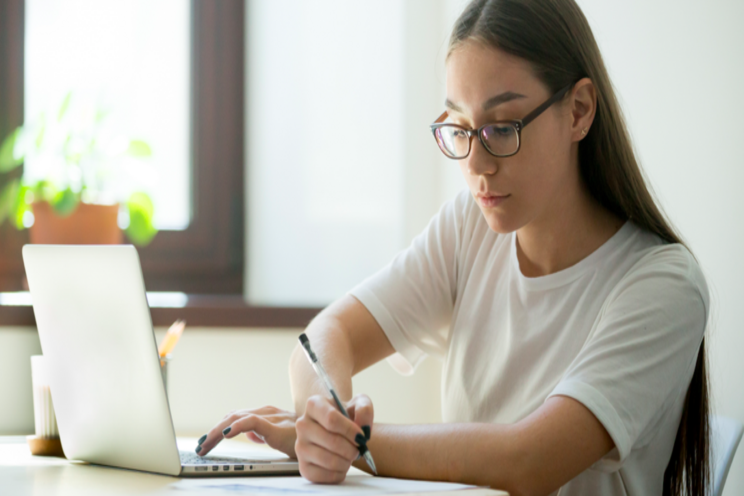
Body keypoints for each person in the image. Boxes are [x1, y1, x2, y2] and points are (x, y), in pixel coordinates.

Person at [196, 0, 710, 494]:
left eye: (501, 128)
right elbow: (329, 334)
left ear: (578, 110)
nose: (478, 166)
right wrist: (322, 418)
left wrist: (354, 445)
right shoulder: (471, 226)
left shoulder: (662, 284)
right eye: (460, 129)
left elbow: (529, 462)